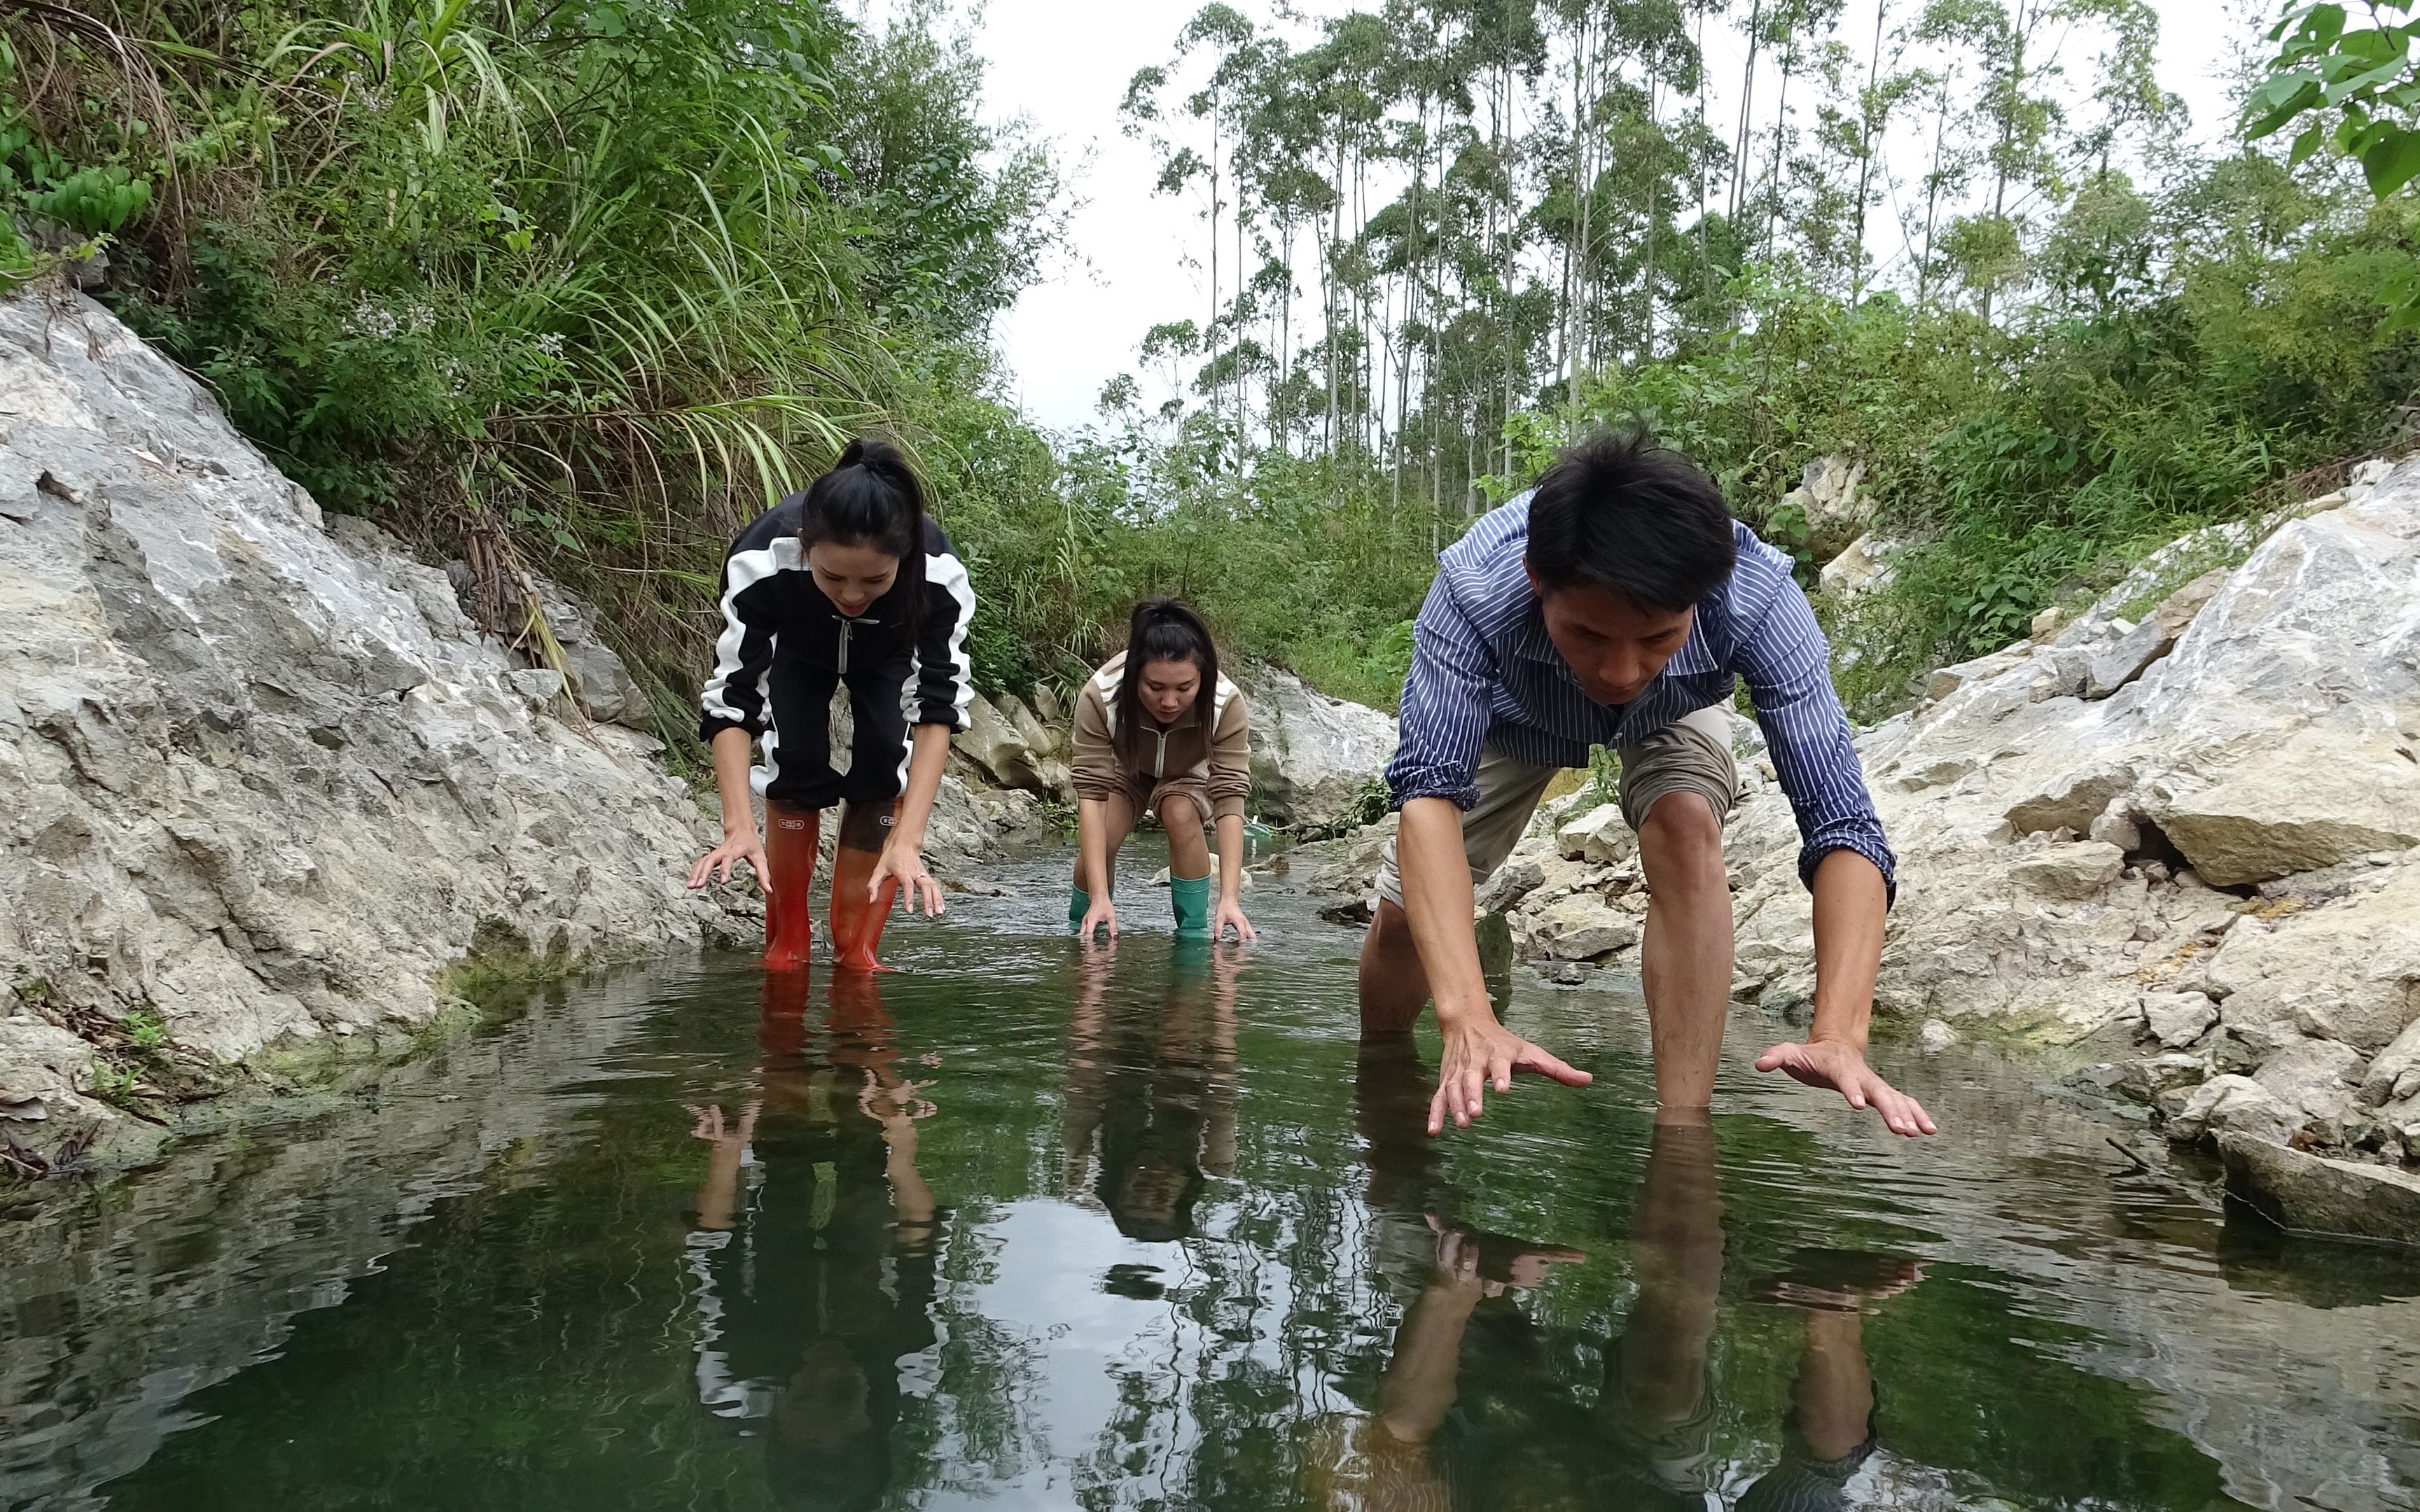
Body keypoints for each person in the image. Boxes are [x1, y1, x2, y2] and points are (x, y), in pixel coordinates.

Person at [1365, 428, 1937, 1140]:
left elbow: (1843, 824)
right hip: (1513, 719)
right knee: (1401, 924)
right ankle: (1382, 1081)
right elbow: (1427, 793)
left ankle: (1683, 1138)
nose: (1621, 672)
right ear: (1538, 581)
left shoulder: (1757, 596)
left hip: (1678, 708)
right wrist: (1469, 1015)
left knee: (1684, 824)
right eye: (1591, 636)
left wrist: (1841, 1032)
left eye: (1657, 638)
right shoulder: (1475, 587)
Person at [686, 437, 976, 972]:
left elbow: (939, 708)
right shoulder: (762, 558)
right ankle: (787, 939)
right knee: (794, 760)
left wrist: (910, 841)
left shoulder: (938, 576)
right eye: (832, 576)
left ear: (905, 559)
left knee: (884, 763)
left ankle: (857, 947)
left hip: (888, 652)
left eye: (874, 580)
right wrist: (737, 826)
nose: (850, 595)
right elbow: (733, 696)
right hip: (800, 647)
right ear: (804, 546)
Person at [1068, 598, 1255, 943]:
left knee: (1180, 812)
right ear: (1135, 675)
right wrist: (1099, 898)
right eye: (1155, 688)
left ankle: (1195, 935)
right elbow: (1092, 796)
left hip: (1189, 769)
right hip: (1127, 767)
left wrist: (1230, 899)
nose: (1169, 702)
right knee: (1106, 833)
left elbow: (1230, 798)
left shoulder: (1225, 703)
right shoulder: (1100, 694)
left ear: (1203, 676)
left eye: (1184, 688)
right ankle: (1086, 927)